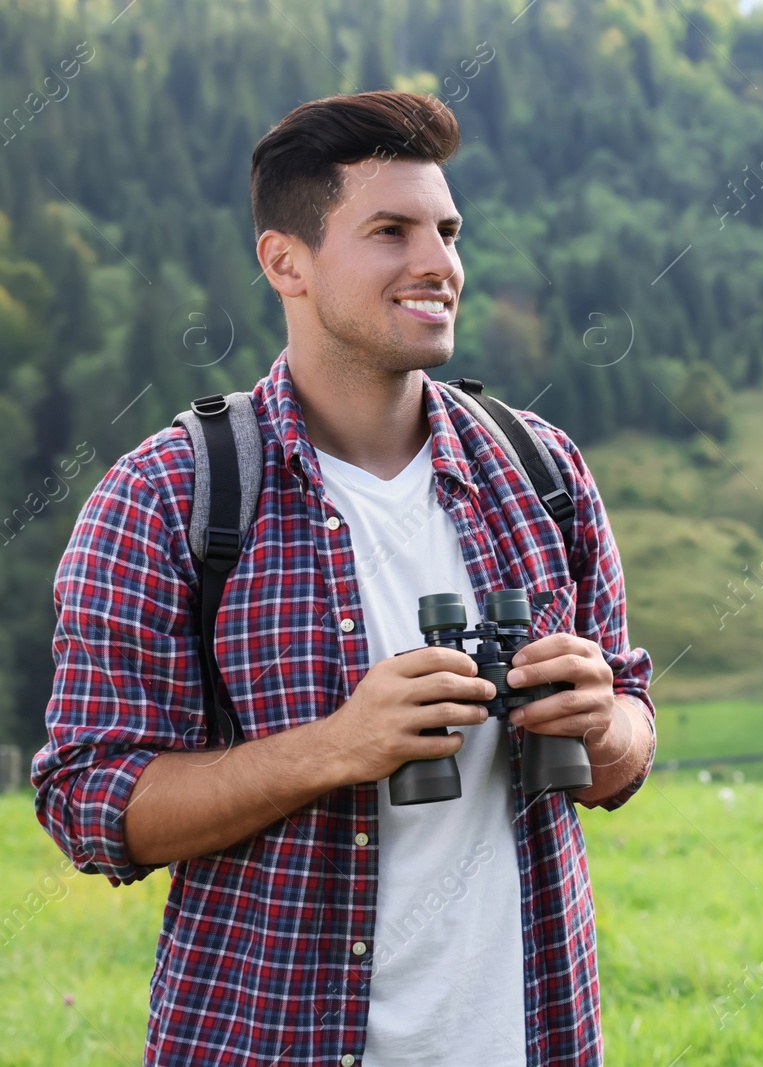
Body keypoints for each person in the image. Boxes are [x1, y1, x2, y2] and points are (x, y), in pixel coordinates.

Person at [30, 89, 656, 1066]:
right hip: (272, 1040)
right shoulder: (165, 496)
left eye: (447, 230)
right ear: (287, 260)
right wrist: (334, 746)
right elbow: (88, 801)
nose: (438, 263)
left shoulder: (542, 472)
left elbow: (631, 733)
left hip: (531, 1037)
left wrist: (604, 721)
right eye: (390, 231)